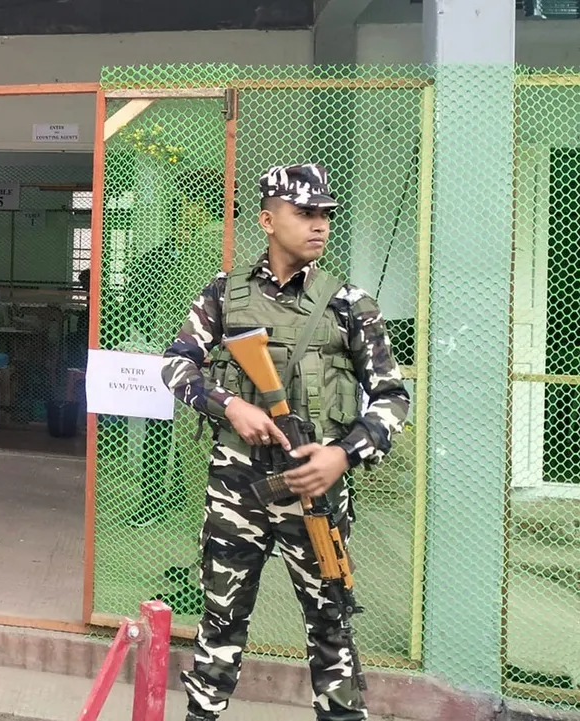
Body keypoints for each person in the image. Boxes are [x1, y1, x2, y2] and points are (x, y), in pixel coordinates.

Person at [162, 164, 411, 721]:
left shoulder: (350, 304)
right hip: (238, 485)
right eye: (305, 213)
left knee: (332, 624)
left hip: (317, 494)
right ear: (267, 220)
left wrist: (341, 455)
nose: (319, 225)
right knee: (221, 618)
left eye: (325, 215)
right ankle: (202, 714)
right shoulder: (223, 296)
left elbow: (394, 398)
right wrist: (231, 405)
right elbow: (176, 368)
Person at [121, 168, 229, 527]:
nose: (179, 209)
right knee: (173, 433)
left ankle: (204, 550)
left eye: (183, 201)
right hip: (184, 356)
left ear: (198, 204)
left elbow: (187, 306)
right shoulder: (186, 247)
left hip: (194, 360)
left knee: (196, 449)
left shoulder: (208, 246)